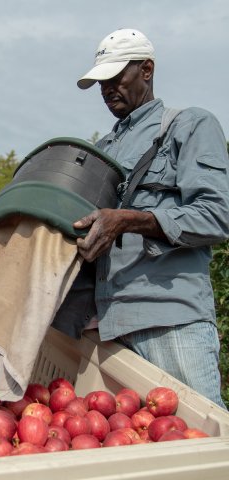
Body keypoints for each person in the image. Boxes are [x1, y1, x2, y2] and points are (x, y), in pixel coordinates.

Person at [72, 28, 229, 408]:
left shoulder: (188, 125)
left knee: (202, 440)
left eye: (116, 76)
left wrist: (127, 220)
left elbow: (217, 216)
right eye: (101, 82)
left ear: (146, 69)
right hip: (105, 328)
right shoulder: (102, 148)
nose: (107, 88)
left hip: (168, 318)